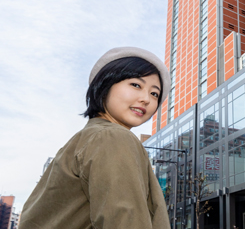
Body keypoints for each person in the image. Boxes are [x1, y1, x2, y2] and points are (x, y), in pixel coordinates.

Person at [18, 47, 170, 229]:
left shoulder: (87, 139)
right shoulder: (113, 137)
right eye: (136, 85)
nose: (146, 99)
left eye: (154, 94)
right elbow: (124, 220)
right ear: (105, 84)